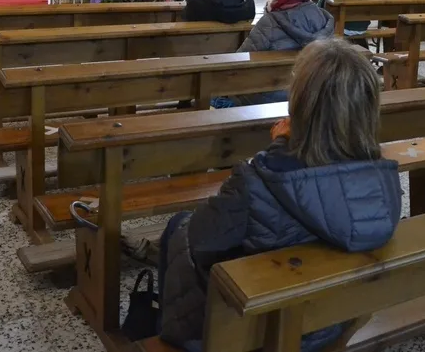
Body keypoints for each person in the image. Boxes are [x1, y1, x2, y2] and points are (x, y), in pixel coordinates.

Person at [158, 38, 403, 351]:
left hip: (261, 332)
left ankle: (164, 334)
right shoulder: (385, 181)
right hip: (333, 323)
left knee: (179, 227)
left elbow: (201, 238)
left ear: (299, 104)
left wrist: (277, 148)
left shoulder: (256, 181)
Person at [226, 0, 333, 105]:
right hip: (307, 95)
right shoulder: (321, 16)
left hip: (267, 99)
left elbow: (239, 61)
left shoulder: (270, 22)